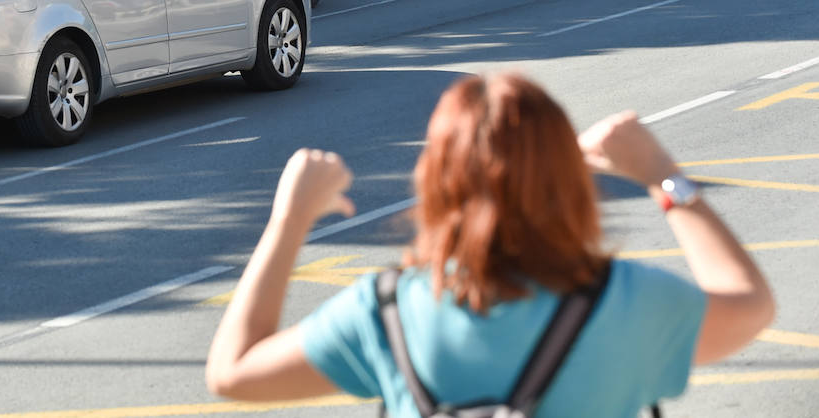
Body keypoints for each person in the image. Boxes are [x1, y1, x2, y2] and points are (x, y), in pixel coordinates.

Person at [205, 73, 774, 416]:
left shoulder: (386, 312)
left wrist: (290, 220)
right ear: (567, 182)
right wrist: (662, 176)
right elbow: (750, 304)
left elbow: (232, 371)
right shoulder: (625, 302)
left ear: (435, 183)